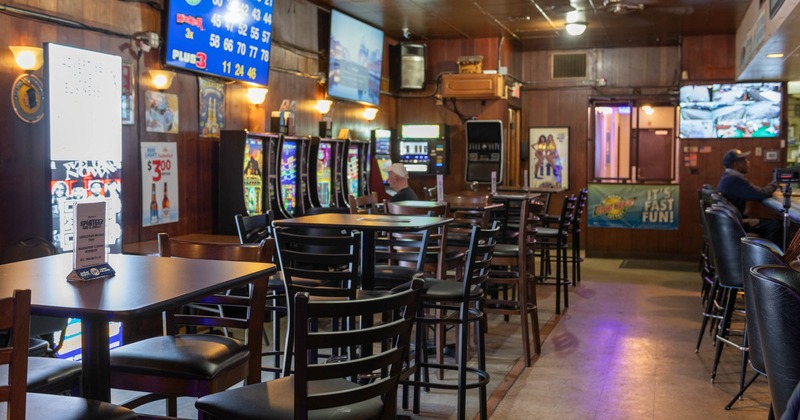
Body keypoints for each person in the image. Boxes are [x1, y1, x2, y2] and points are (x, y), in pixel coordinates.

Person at [716, 148, 781, 246]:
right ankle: (767, 259)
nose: (748, 162)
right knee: (775, 226)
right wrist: (775, 182)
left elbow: (757, 193)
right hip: (736, 224)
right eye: (744, 160)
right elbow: (761, 194)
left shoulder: (728, 176)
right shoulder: (734, 178)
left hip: (730, 222)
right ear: (735, 164)